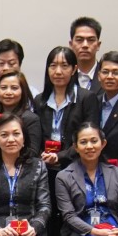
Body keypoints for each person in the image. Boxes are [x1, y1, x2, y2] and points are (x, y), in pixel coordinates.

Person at [35, 46, 85, 179]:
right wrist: (42, 155)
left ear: (74, 69)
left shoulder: (86, 98)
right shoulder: (39, 100)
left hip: (75, 167)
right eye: (53, 66)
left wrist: (59, 156)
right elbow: (35, 135)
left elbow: (87, 136)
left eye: (64, 66)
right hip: (45, 167)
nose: (58, 71)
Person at [0, 70, 42, 152]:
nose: (8, 92)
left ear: (23, 91)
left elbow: (32, 151)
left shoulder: (31, 119)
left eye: (14, 88)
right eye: (3, 88)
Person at [69, 17, 103, 91]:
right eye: (79, 40)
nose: (85, 45)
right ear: (71, 45)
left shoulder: (109, 76)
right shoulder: (64, 76)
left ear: (98, 45)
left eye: (91, 40)